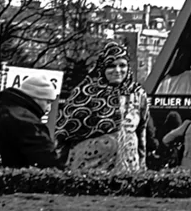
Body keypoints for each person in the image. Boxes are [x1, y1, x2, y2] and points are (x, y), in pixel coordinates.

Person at [54, 40, 145, 173]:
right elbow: (65, 133)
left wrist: (142, 167)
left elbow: (142, 132)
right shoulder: (84, 93)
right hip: (88, 167)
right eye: (111, 66)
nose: (118, 70)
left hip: (128, 167)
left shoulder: (137, 94)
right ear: (102, 68)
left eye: (122, 65)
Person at [0, 73, 63, 168]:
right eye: (48, 102)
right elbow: (48, 159)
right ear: (36, 98)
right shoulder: (24, 119)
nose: (49, 108)